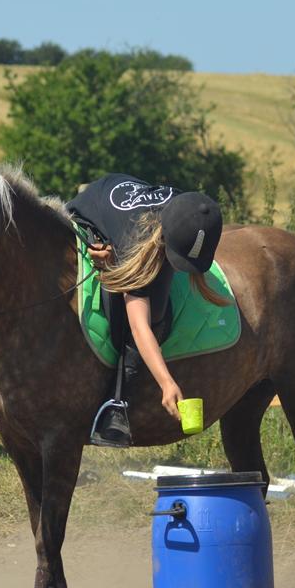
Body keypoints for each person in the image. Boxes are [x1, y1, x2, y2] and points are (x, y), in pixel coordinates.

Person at [67, 174, 227, 446]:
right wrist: (166, 382)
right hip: (94, 210)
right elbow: (139, 325)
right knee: (152, 313)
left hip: (136, 216)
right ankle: (118, 401)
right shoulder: (138, 239)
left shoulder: (189, 209)